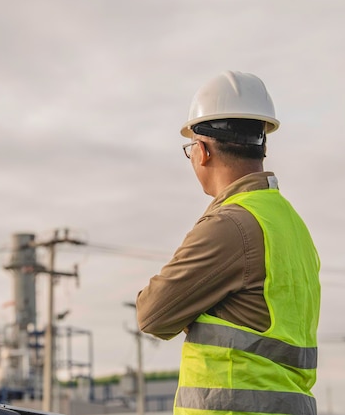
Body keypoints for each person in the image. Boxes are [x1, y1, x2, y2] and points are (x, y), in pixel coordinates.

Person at [135, 71, 321, 415]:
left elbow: (152, 314)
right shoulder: (291, 224)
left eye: (189, 148)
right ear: (262, 144)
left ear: (202, 151)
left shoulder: (231, 224)